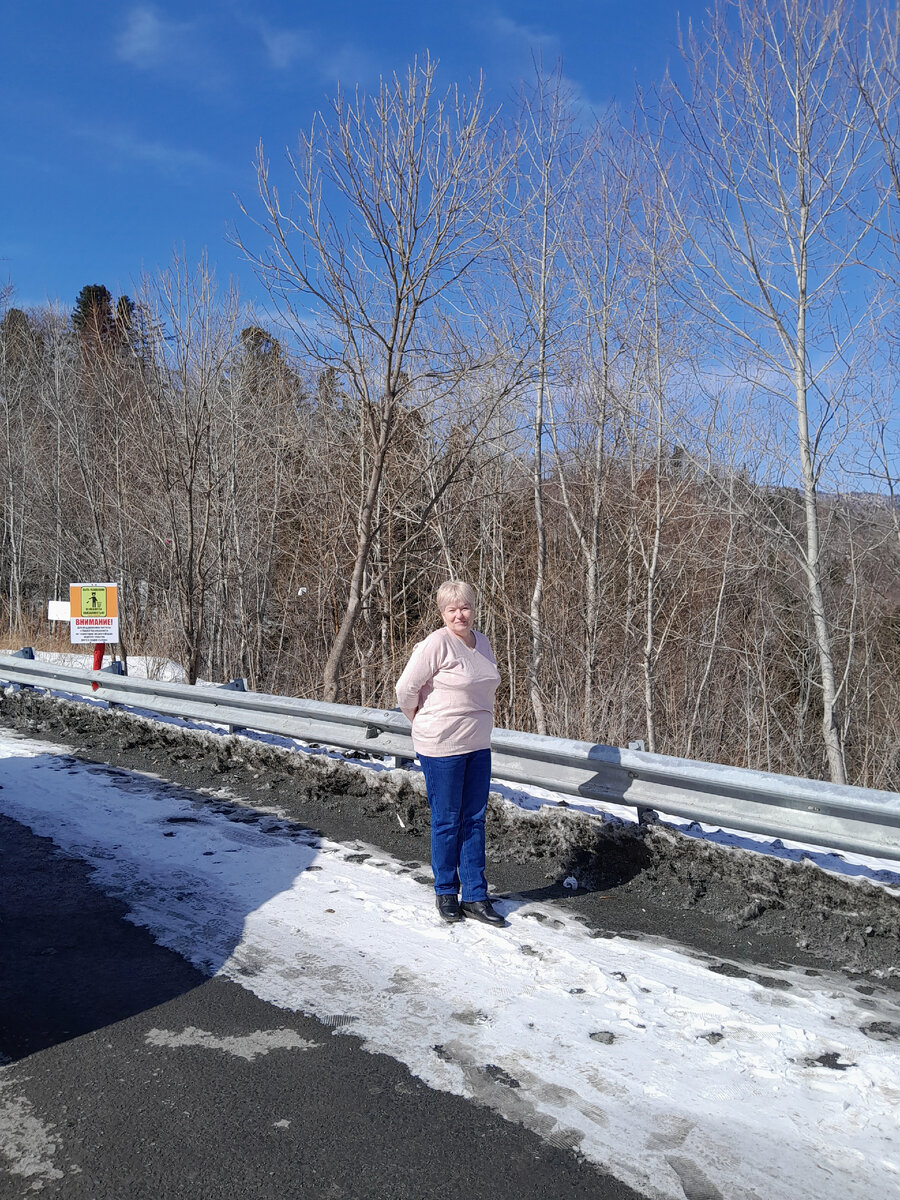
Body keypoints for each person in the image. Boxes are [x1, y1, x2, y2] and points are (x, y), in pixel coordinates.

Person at [395, 580, 505, 926]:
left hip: (477, 745)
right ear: (442, 613)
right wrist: (421, 721)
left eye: (466, 607)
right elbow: (405, 689)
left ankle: (475, 895)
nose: (460, 615)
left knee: (474, 819)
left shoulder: (482, 642)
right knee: (447, 819)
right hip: (441, 746)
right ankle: (445, 891)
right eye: (452, 609)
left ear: (474, 608)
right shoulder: (435, 644)